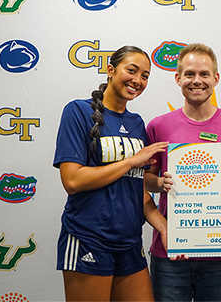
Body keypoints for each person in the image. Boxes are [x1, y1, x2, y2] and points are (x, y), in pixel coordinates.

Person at [53, 46, 169, 301]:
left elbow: (139, 192)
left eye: (146, 75)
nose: (138, 80)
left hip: (128, 240)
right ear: (110, 70)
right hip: (88, 237)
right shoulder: (78, 111)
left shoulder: (137, 122)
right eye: (132, 70)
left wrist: (164, 228)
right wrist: (131, 161)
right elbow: (72, 181)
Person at [144, 43, 221, 301]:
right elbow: (145, 181)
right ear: (178, 78)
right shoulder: (158, 126)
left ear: (216, 78)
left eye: (204, 74)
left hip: (219, 253)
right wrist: (160, 183)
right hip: (170, 250)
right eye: (190, 74)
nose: (197, 80)